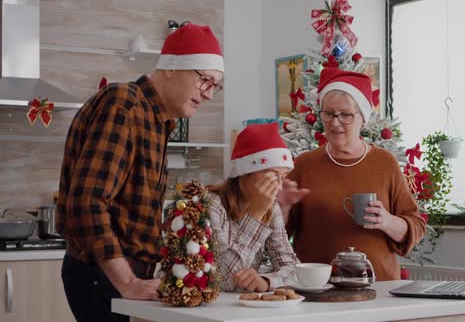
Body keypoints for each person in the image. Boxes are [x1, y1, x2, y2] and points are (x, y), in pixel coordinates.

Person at [56, 23, 224, 322]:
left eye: (215, 86)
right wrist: (128, 282)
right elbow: (88, 202)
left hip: (117, 275)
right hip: (105, 275)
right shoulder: (125, 105)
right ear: (172, 67)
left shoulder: (155, 119)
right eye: (205, 81)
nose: (209, 94)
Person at [278, 68, 427, 281]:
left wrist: (386, 221)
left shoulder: (385, 163)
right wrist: (283, 207)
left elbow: (416, 226)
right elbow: (279, 238)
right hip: (318, 290)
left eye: (345, 115)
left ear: (363, 119)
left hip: (378, 290)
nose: (335, 122)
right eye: (328, 113)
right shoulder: (304, 164)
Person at [207, 123, 300, 292]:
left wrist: (266, 281)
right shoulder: (212, 205)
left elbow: (293, 267)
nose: (278, 187)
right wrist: (256, 214)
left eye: (283, 177)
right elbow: (223, 280)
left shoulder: (272, 208)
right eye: (272, 176)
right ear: (244, 174)